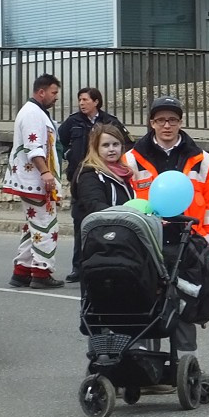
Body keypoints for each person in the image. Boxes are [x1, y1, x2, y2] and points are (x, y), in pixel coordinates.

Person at [124, 95, 209, 387]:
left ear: (181, 122)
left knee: (184, 305)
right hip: (148, 243)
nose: (166, 125)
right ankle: (145, 369)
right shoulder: (131, 159)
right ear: (151, 123)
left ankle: (186, 366)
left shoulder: (203, 160)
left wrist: (207, 237)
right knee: (146, 303)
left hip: (189, 244)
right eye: (160, 120)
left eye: (172, 120)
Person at [58, 87, 131, 283]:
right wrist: (69, 155)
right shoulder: (73, 122)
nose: (81, 103)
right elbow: (59, 141)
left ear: (96, 101)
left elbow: (127, 141)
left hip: (110, 176)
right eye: (79, 100)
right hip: (82, 179)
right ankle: (79, 267)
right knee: (82, 225)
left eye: (85, 100)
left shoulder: (109, 121)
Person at [3, 74, 65, 289]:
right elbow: (34, 147)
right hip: (35, 180)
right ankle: (41, 271)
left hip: (31, 180)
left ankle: (22, 271)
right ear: (41, 92)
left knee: (33, 226)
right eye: (54, 92)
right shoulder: (32, 114)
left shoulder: (36, 113)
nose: (56, 97)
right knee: (46, 225)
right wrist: (46, 173)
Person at [72, 124, 135, 251]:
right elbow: (95, 206)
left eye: (115, 144)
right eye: (105, 145)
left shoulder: (124, 173)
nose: (112, 149)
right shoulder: (89, 174)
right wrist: (126, 216)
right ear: (96, 148)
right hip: (98, 244)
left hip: (120, 238)